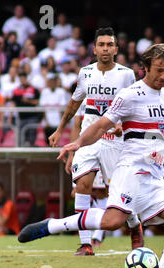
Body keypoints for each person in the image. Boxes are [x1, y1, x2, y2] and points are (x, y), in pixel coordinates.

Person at [19, 43, 164, 268]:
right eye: (159, 70)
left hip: (155, 177)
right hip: (130, 172)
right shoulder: (129, 95)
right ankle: (51, 225)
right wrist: (78, 143)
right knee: (112, 222)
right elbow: (100, 126)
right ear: (145, 68)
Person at [47, 27, 143, 256]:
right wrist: (60, 130)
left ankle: (134, 226)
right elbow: (74, 104)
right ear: (95, 48)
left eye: (110, 44)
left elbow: (133, 107)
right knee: (82, 187)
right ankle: (86, 243)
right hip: (88, 139)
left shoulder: (126, 74)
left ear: (116, 49)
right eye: (102, 44)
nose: (106, 49)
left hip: (113, 139)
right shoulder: (85, 73)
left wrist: (124, 125)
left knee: (116, 191)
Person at [11, 72, 40, 146]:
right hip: (21, 117)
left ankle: (31, 149)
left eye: (24, 78)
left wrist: (28, 101)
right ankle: (21, 152)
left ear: (26, 79)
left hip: (32, 116)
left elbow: (37, 102)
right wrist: (10, 116)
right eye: (21, 79)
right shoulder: (16, 91)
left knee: (31, 135)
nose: (22, 80)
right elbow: (13, 103)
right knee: (20, 136)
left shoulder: (34, 89)